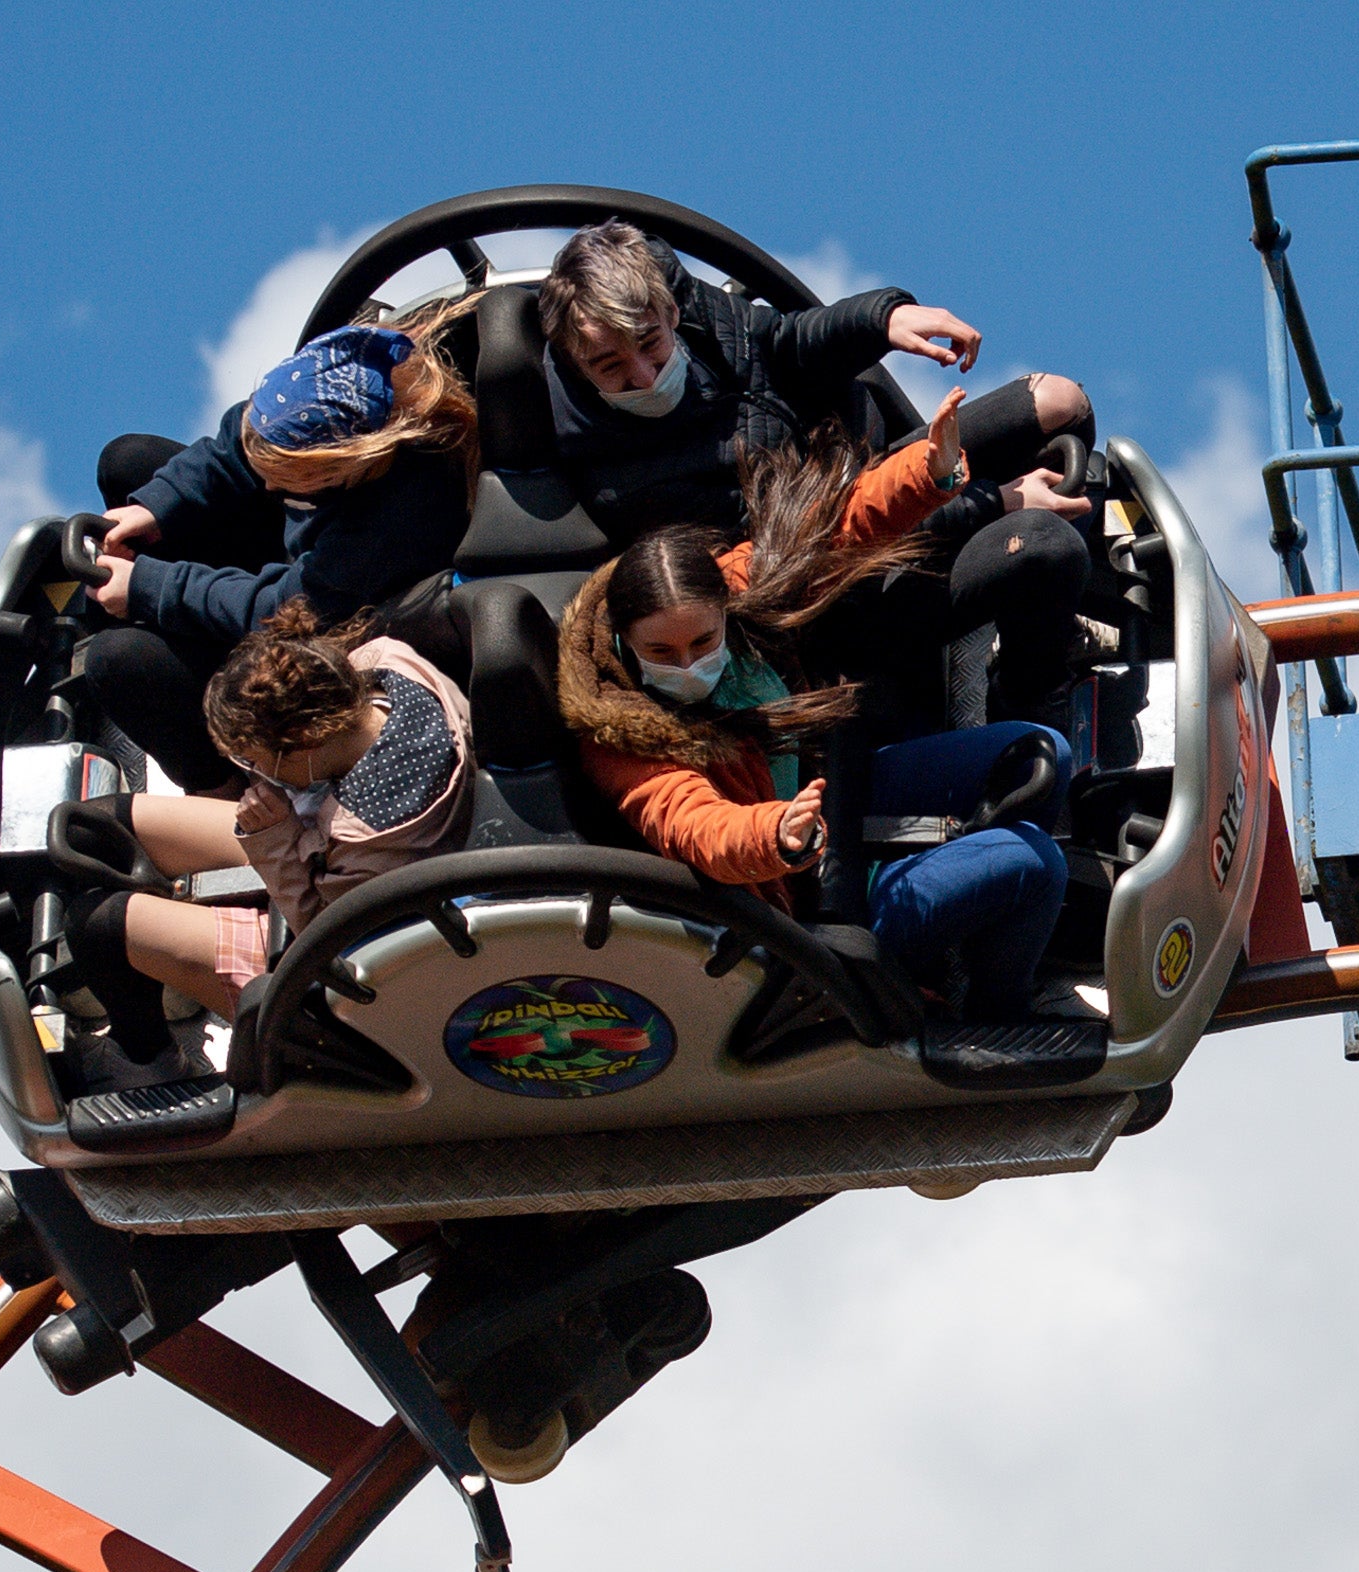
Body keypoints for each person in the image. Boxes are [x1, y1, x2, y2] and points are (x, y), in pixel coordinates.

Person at [554, 391, 1072, 1025]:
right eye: (661, 651)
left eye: (704, 642)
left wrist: (929, 471)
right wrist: (776, 834)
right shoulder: (618, 734)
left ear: (727, 609)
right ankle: (997, 1013)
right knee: (1034, 862)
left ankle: (990, 932)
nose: (688, 664)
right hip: (797, 903)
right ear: (621, 643)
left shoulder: (742, 590)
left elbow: (839, 528)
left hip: (836, 794)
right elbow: (693, 825)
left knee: (1040, 755)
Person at [537, 222, 1100, 727]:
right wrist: (991, 502)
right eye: (610, 366)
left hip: (864, 482)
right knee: (1043, 545)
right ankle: (1031, 697)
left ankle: (1052, 617)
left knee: (1060, 402)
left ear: (671, 313)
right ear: (576, 365)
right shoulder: (621, 481)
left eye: (651, 343)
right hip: (835, 598)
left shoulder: (699, 324)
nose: (643, 373)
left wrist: (885, 318)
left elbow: (779, 344)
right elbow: (805, 554)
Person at [56, 602, 474, 1085]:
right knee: (97, 827)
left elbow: (324, 936)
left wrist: (272, 838)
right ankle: (166, 962)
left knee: (97, 926)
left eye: (256, 760)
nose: (254, 773)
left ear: (304, 740)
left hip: (336, 936)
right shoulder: (385, 662)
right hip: (325, 842)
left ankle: (148, 1059)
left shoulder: (367, 834)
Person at [67, 318, 478, 793]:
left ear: (342, 467)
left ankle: (226, 792)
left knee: (120, 660)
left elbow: (283, 606)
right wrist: (154, 508)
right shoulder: (324, 401)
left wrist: (148, 587)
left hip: (325, 624)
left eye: (285, 481)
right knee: (128, 461)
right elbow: (233, 452)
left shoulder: (395, 524)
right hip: (307, 563)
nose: (266, 487)